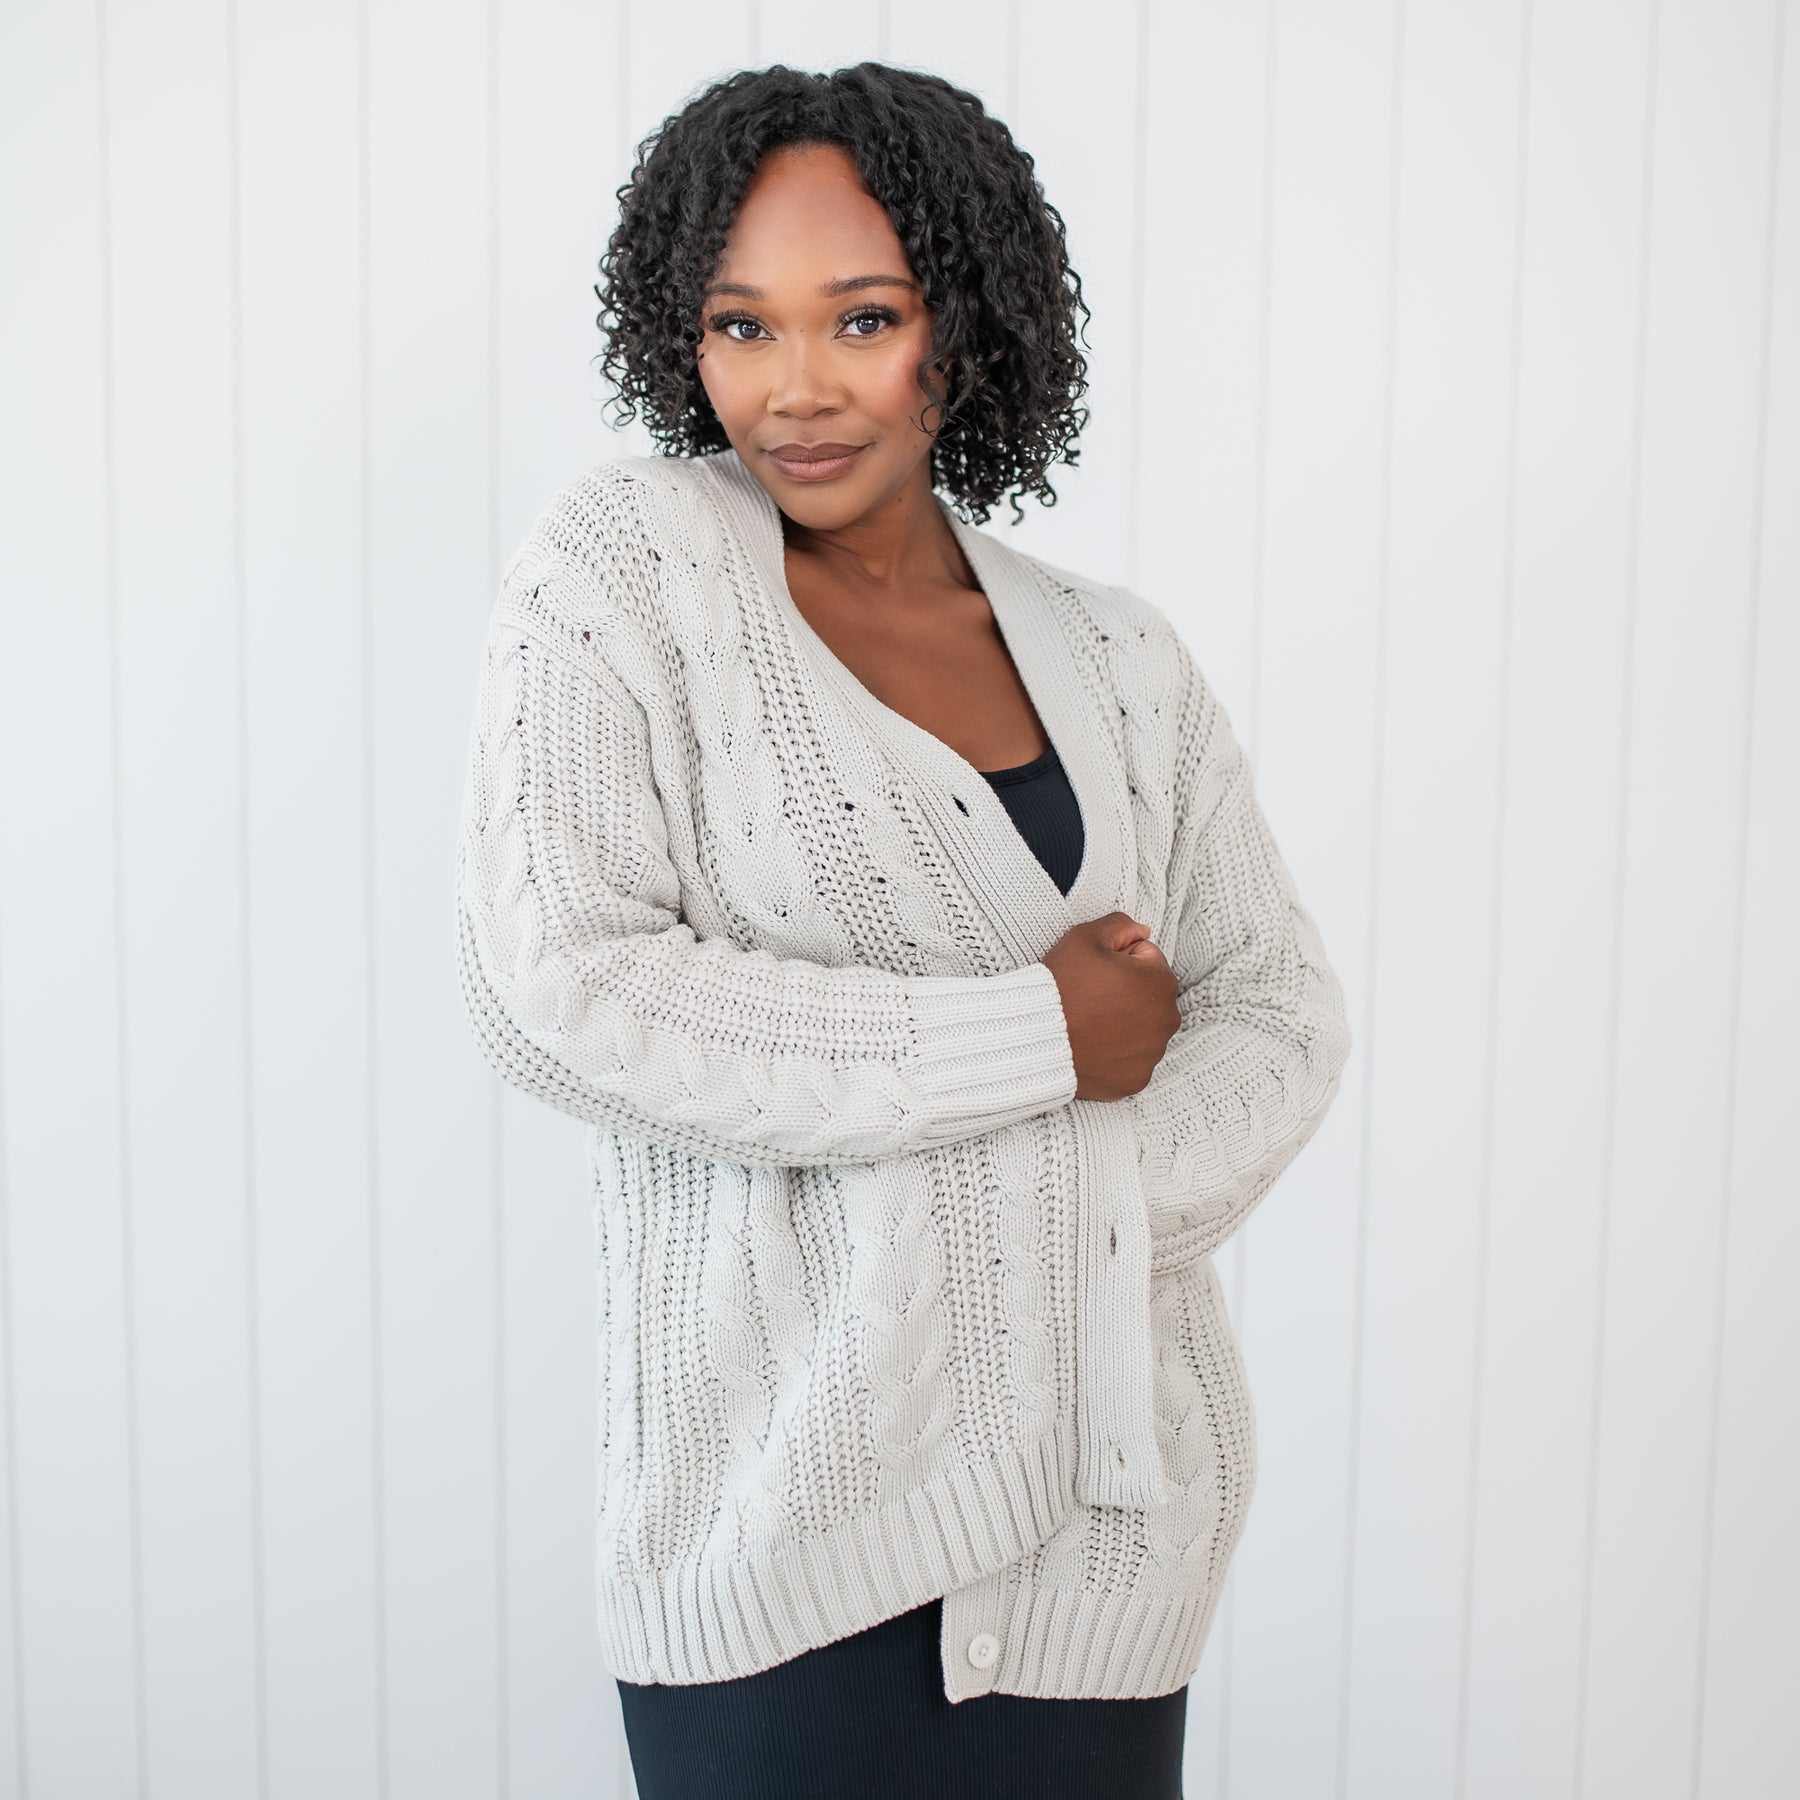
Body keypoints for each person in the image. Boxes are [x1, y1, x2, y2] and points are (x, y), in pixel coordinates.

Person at [453, 60, 1351, 1800]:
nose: (794, 390)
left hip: (1106, 1550)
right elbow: (560, 983)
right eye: (741, 326)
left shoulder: (1120, 656)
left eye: (862, 318)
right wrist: (1034, 1041)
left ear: (969, 321)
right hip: (779, 1544)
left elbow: (1279, 1014)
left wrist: (1044, 1223)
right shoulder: (628, 569)